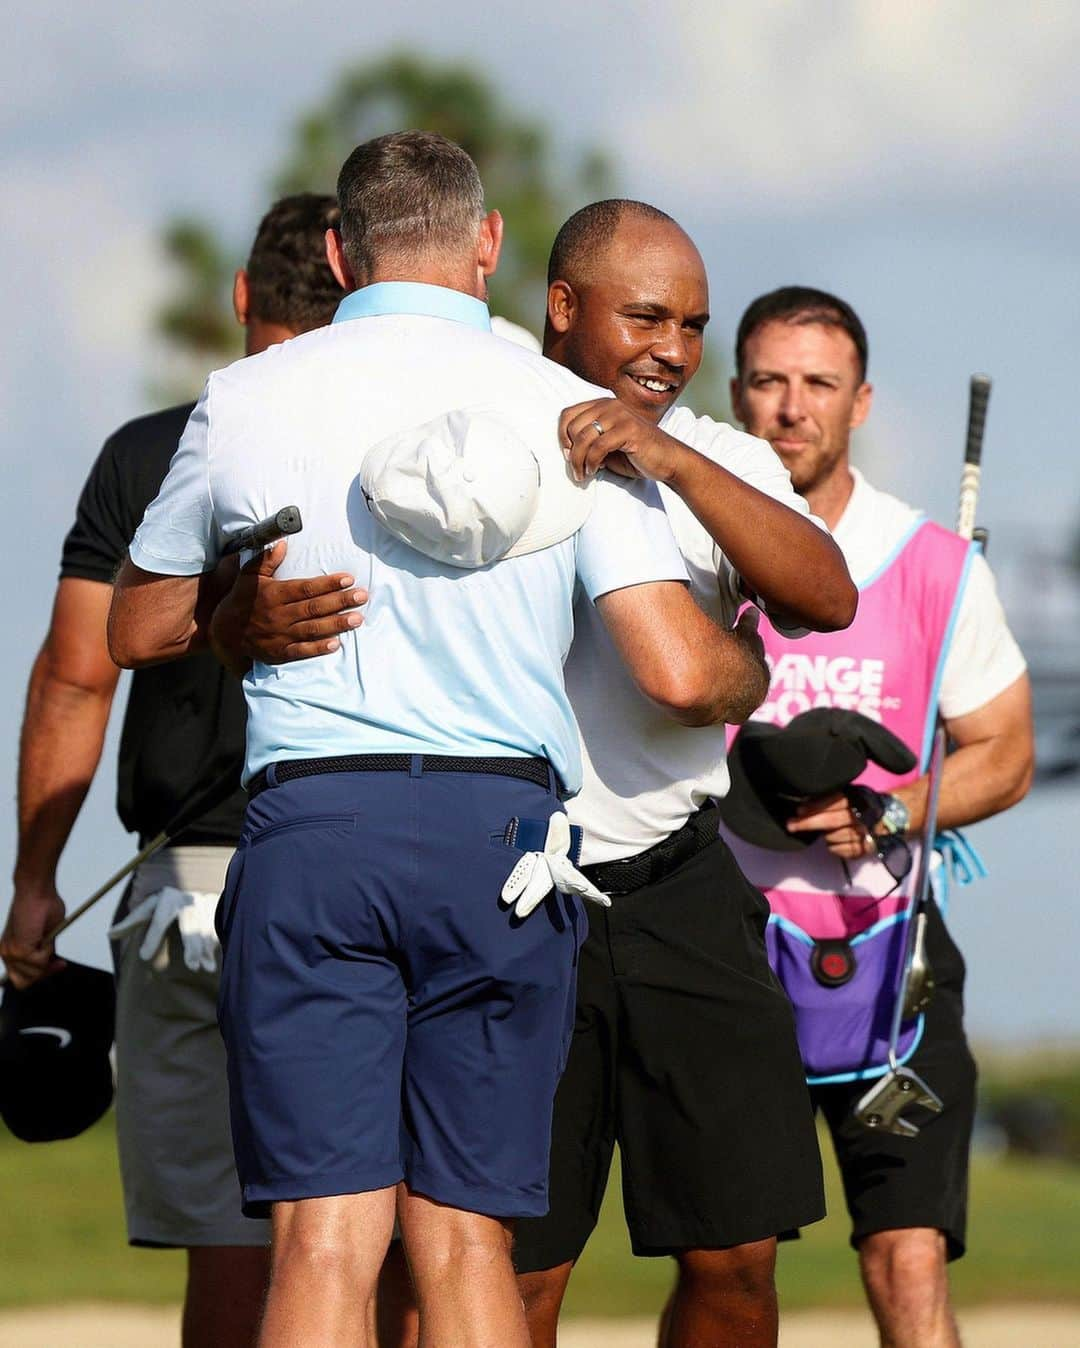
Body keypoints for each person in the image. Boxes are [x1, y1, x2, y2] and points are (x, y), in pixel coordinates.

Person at [107, 136, 773, 1348]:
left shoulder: (247, 396)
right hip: (499, 849)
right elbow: (675, 664)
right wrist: (751, 662)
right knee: (466, 1239)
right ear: (490, 246)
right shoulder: (558, 406)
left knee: (323, 1241)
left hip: (312, 836)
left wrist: (227, 618)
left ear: (333, 248)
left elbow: (131, 622)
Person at [225, 200, 859, 1348]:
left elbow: (827, 592)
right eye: (648, 316)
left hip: (678, 884)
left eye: (695, 324)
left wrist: (663, 453)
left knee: (739, 1259)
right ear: (562, 306)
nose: (675, 346)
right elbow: (681, 674)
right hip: (518, 881)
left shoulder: (715, 452)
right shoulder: (477, 420)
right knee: (501, 1270)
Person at [0, 193, 344, 1348]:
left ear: (243, 297)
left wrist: (35, 883)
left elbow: (73, 677)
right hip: (349, 873)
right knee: (361, 1236)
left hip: (180, 887)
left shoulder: (150, 452)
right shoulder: (376, 452)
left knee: (231, 1253)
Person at [724, 286, 1034, 1348]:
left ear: (861, 403)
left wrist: (894, 813)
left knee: (905, 1258)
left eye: (818, 383)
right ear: (736, 394)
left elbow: (1006, 750)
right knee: (729, 1264)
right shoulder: (692, 552)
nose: (790, 407)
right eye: (768, 380)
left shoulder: (932, 562)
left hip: (891, 959)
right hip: (729, 952)